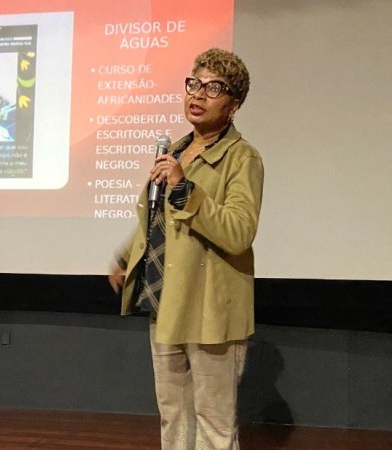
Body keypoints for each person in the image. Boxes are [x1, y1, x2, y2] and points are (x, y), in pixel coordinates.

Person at [108, 48, 264, 450]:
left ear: (233, 106)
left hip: (211, 307)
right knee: (174, 416)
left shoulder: (241, 158)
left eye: (214, 88)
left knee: (214, 422)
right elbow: (156, 220)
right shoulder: (175, 150)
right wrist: (126, 257)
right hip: (165, 300)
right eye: (194, 83)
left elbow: (239, 232)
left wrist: (184, 188)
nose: (198, 94)